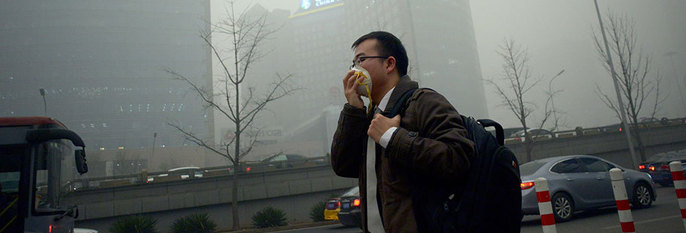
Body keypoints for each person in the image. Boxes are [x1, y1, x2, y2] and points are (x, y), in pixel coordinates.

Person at [331, 31, 476, 233]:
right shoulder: (371, 116)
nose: (355, 70)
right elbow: (343, 166)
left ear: (389, 64)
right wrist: (353, 111)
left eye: (361, 60)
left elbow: (458, 158)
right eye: (353, 63)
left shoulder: (423, 102)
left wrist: (392, 137)